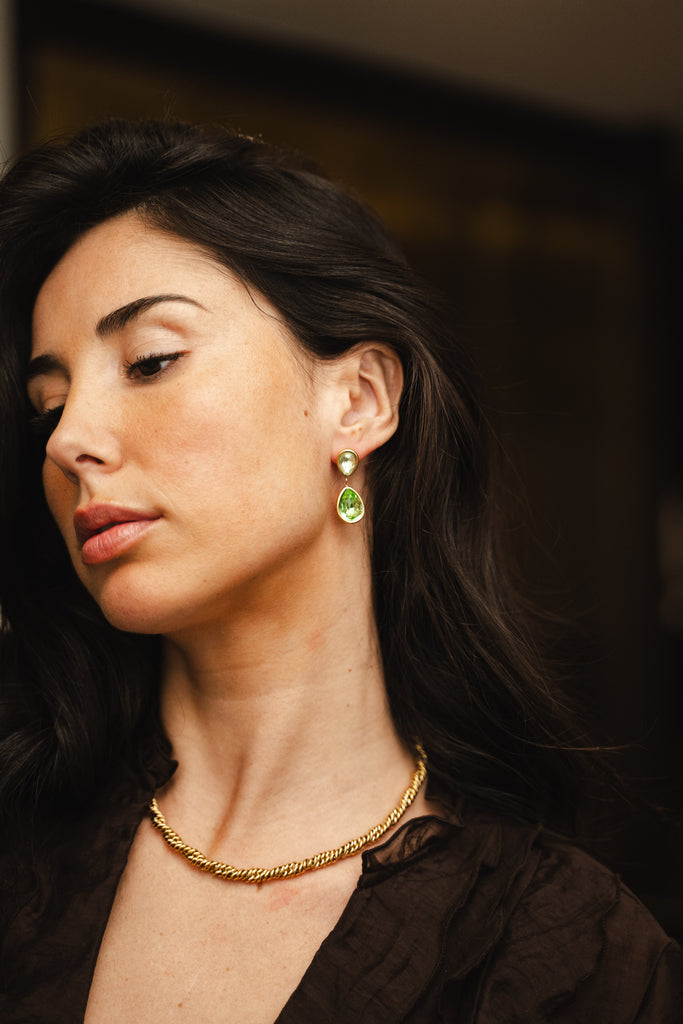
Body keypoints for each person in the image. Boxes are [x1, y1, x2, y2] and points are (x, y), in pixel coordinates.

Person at [0, 119, 680, 1023]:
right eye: (49, 404)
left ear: (356, 402)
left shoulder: (566, 956)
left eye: (150, 361)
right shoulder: (20, 834)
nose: (70, 440)